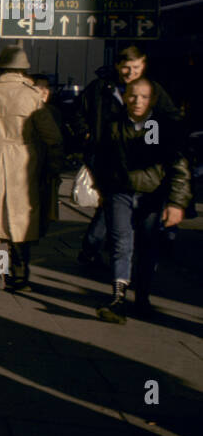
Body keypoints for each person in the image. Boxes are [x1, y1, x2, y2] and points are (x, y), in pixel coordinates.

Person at [88, 78, 191, 322]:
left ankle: (142, 297)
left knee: (148, 247)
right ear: (125, 97)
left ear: (152, 100)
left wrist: (177, 203)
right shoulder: (114, 125)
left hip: (151, 196)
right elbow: (100, 158)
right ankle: (118, 298)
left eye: (144, 97)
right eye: (133, 96)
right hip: (119, 193)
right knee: (121, 243)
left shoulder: (159, 127)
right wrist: (103, 189)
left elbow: (178, 166)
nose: (138, 101)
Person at [74, 46, 178, 267]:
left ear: (144, 65)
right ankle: (100, 249)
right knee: (111, 203)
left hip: (141, 160)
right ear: (117, 66)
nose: (130, 73)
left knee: (116, 205)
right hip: (105, 155)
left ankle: (98, 249)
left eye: (136, 68)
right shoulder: (101, 88)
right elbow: (78, 114)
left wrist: (158, 140)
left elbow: (171, 117)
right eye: (126, 68)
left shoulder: (153, 90)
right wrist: (87, 135)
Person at [0, 48, 63, 291]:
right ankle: (21, 274)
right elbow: (52, 136)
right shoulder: (31, 96)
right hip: (23, 163)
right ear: (24, 69)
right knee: (21, 220)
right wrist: (54, 165)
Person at [30, 74, 64, 237]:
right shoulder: (27, 110)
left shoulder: (54, 112)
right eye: (39, 87)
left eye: (46, 87)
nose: (44, 91)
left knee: (45, 210)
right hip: (30, 165)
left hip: (48, 168)